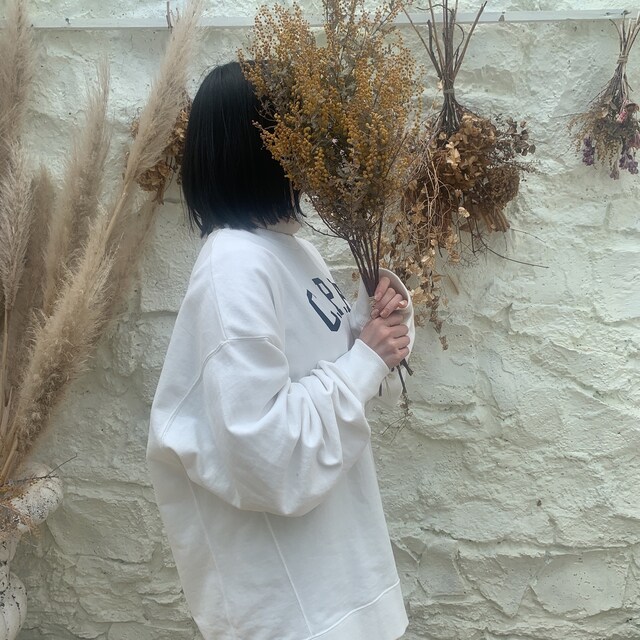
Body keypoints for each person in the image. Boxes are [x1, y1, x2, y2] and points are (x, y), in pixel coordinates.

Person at [146, 60, 415, 640]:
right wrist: (363, 361)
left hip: (338, 574)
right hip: (296, 607)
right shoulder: (232, 268)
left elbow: (324, 378)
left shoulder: (292, 250)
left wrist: (370, 333)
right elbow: (265, 453)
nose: (309, 146)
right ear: (260, 144)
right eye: (294, 128)